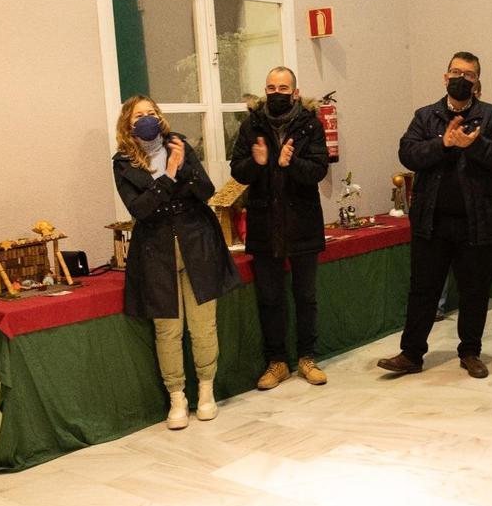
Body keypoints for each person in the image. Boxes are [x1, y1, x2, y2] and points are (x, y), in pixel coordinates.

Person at [377, 52, 492, 378]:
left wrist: (473, 145)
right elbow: (407, 153)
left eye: (468, 74)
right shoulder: (425, 116)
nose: (461, 78)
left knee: (474, 292)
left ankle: (470, 352)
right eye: (456, 72)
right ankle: (411, 354)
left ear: (477, 82)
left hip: (478, 222)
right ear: (445, 77)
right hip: (432, 222)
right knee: (422, 290)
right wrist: (444, 142)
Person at [113, 96, 240, 429]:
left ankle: (206, 391)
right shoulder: (123, 162)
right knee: (168, 330)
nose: (147, 119)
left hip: (197, 243)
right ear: (128, 123)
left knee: (203, 326)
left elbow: (207, 190)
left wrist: (183, 167)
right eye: (139, 115)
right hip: (156, 252)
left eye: (151, 113)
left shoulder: (178, 145)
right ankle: (177, 398)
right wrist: (168, 175)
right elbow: (140, 209)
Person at [230, 67, 330, 390]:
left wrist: (291, 164)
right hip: (263, 224)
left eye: (283, 87)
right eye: (271, 87)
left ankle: (307, 358)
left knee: (306, 296)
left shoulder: (310, 125)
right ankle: (277, 363)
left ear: (295, 93)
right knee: (270, 298)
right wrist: (257, 163)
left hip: (302, 224)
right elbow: (238, 172)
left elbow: (318, 169)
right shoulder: (250, 126)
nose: (276, 93)